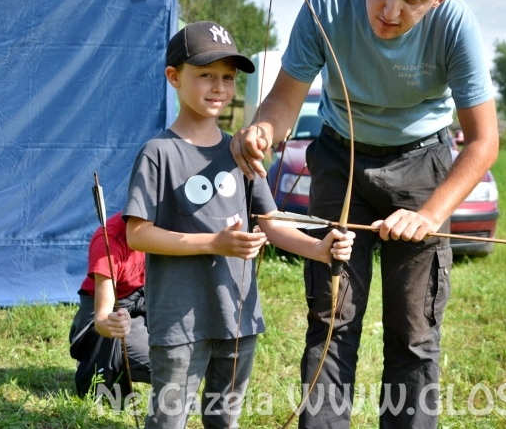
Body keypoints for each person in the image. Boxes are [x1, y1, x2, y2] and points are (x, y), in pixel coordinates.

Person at [231, 0, 500, 428]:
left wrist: (428, 213)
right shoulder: (327, 6)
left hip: (423, 163)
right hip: (341, 159)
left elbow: (483, 141)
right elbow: (282, 103)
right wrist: (263, 130)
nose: (391, 10)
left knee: (414, 330)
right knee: (332, 320)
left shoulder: (456, 26)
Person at [123, 21, 355, 429]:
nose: (219, 87)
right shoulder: (158, 152)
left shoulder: (240, 152)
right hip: (179, 322)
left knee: (224, 420)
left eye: (228, 78)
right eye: (206, 75)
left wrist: (318, 249)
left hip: (238, 318)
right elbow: (137, 233)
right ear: (174, 78)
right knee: (168, 420)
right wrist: (215, 242)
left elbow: (270, 223)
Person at [69, 211, 150, 399]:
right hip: (113, 308)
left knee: (184, 352)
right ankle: (98, 358)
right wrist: (115, 324)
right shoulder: (108, 240)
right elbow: (102, 318)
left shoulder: (167, 227)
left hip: (146, 299)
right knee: (164, 364)